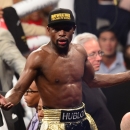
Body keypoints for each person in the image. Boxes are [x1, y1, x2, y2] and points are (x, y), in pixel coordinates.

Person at [1, 8, 130, 130]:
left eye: (66, 29)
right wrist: (6, 100)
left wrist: (128, 75)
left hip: (81, 118)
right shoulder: (38, 57)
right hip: (54, 122)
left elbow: (93, 80)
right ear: (48, 30)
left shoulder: (79, 52)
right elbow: (18, 89)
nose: (62, 34)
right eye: (56, 29)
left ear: (74, 29)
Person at [73, 32, 116, 130]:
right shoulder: (75, 87)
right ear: (78, 56)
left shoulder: (91, 80)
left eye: (99, 52)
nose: (99, 58)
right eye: (92, 54)